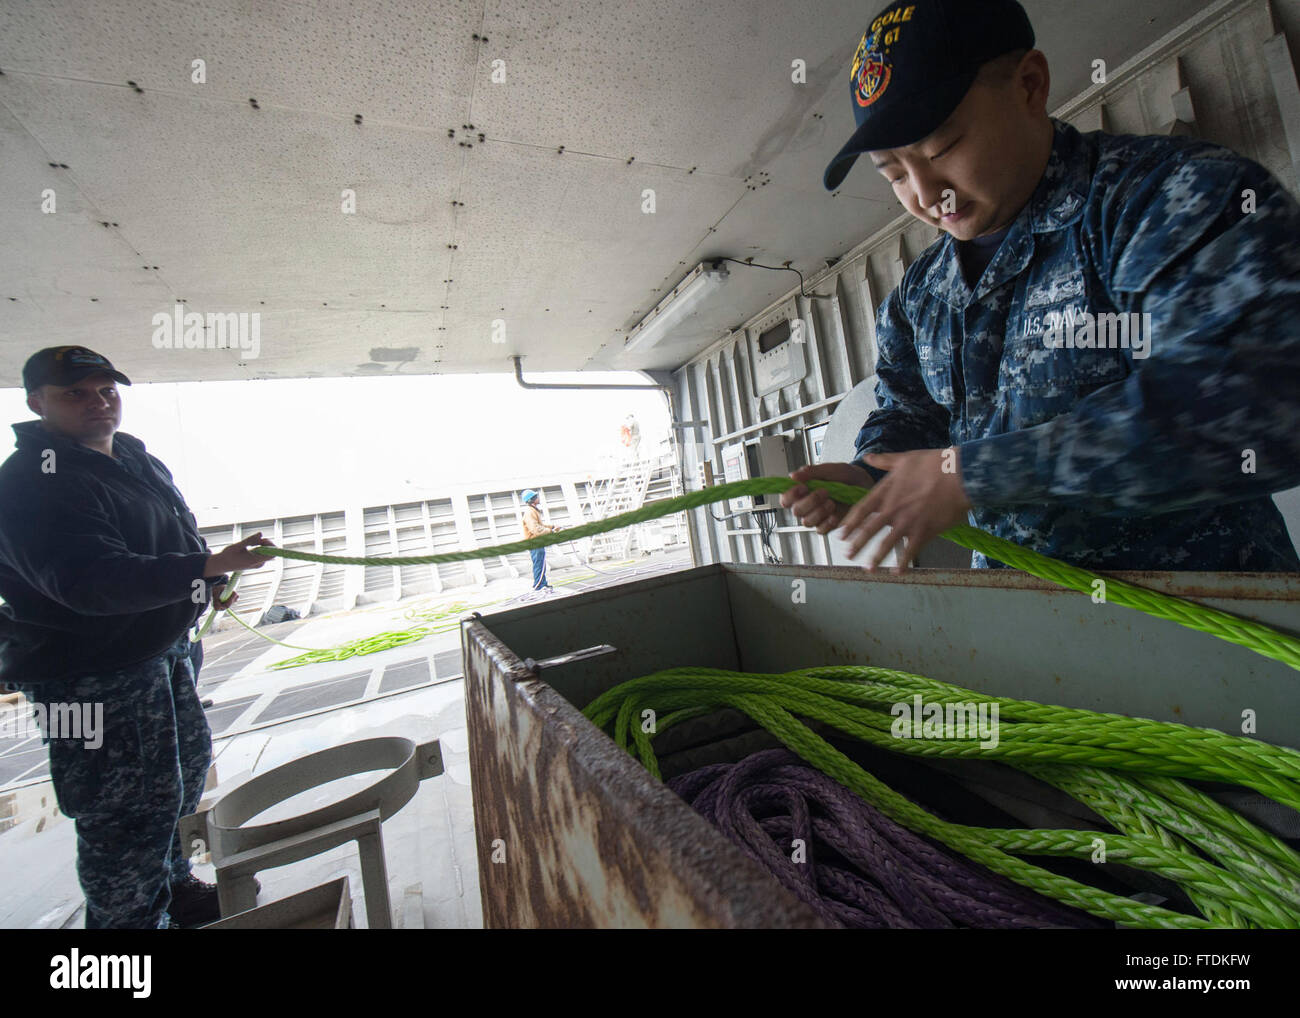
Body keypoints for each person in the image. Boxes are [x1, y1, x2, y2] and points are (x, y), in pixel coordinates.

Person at [783, 0, 1300, 573]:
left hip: (1212, 627)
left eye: (941, 148)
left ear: (1030, 85)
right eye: (896, 175)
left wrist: (979, 473)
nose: (926, 195)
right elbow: (910, 410)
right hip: (1026, 630)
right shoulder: (918, 297)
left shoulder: (1166, 198)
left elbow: (1261, 397)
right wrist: (870, 475)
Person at [0, 346, 275, 928]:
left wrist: (205, 585)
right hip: (90, 678)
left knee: (178, 782)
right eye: (76, 393)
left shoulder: (129, 454)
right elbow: (90, 582)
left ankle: (173, 891)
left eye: (107, 390)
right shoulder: (32, 481)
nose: (98, 403)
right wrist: (201, 569)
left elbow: (174, 535)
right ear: (36, 403)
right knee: (123, 812)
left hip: (160, 653)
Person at [520, 488, 561, 593]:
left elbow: (540, 526)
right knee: (539, 564)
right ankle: (539, 586)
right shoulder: (530, 512)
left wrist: (552, 526)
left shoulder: (533, 511)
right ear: (532, 499)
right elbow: (535, 529)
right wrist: (550, 531)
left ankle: (542, 584)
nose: (538, 498)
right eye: (536, 496)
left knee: (541, 564)